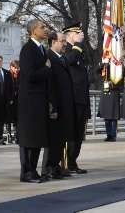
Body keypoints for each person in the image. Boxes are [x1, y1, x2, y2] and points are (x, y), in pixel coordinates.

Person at [17, 19, 51, 183]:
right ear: (33, 31)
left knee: (37, 137)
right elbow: (29, 75)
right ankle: (26, 172)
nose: (45, 30)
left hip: (40, 100)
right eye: (42, 27)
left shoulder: (42, 49)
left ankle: (34, 170)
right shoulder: (28, 49)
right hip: (30, 101)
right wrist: (46, 68)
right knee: (28, 137)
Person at [41, 31, 75, 180]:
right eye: (62, 41)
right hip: (55, 104)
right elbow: (48, 84)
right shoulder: (48, 57)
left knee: (61, 138)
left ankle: (56, 167)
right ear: (53, 42)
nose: (65, 44)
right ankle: (48, 168)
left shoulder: (62, 58)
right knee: (53, 139)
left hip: (65, 105)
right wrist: (51, 105)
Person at [63, 23, 90, 174]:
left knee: (79, 134)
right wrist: (78, 45)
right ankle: (66, 163)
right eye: (78, 33)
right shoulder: (67, 49)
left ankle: (73, 162)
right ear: (71, 35)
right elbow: (69, 61)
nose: (81, 35)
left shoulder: (79, 51)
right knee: (70, 134)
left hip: (81, 99)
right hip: (72, 100)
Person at [98, 60, 122, 142]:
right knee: (106, 117)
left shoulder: (117, 68)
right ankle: (108, 135)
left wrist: (112, 84)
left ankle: (113, 135)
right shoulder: (105, 66)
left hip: (113, 94)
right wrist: (103, 63)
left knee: (113, 117)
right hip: (105, 94)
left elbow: (120, 82)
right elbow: (97, 71)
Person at [6, 60, 19, 144]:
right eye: (15, 67)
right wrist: (9, 98)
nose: (16, 69)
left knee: (16, 119)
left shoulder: (19, 75)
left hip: (17, 100)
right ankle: (9, 135)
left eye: (17, 67)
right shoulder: (7, 74)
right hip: (9, 101)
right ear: (11, 67)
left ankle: (16, 136)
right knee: (8, 119)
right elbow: (6, 88)